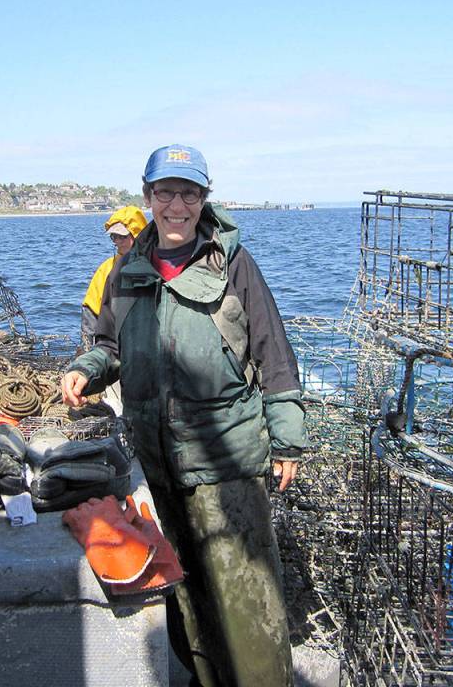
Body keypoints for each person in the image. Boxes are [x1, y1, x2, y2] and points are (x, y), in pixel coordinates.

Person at [61, 144, 307, 686]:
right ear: (147, 197)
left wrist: (287, 437)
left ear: (204, 199)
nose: (177, 205)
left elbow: (273, 352)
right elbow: (110, 345)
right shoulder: (127, 268)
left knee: (247, 601)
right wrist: (86, 369)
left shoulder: (233, 263)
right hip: (159, 461)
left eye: (189, 193)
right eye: (166, 192)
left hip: (226, 461)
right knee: (186, 594)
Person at [80, 205, 147, 349]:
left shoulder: (154, 265)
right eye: (114, 236)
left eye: (122, 236)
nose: (117, 241)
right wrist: (88, 351)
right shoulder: (106, 269)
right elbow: (90, 312)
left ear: (137, 234)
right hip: (111, 345)